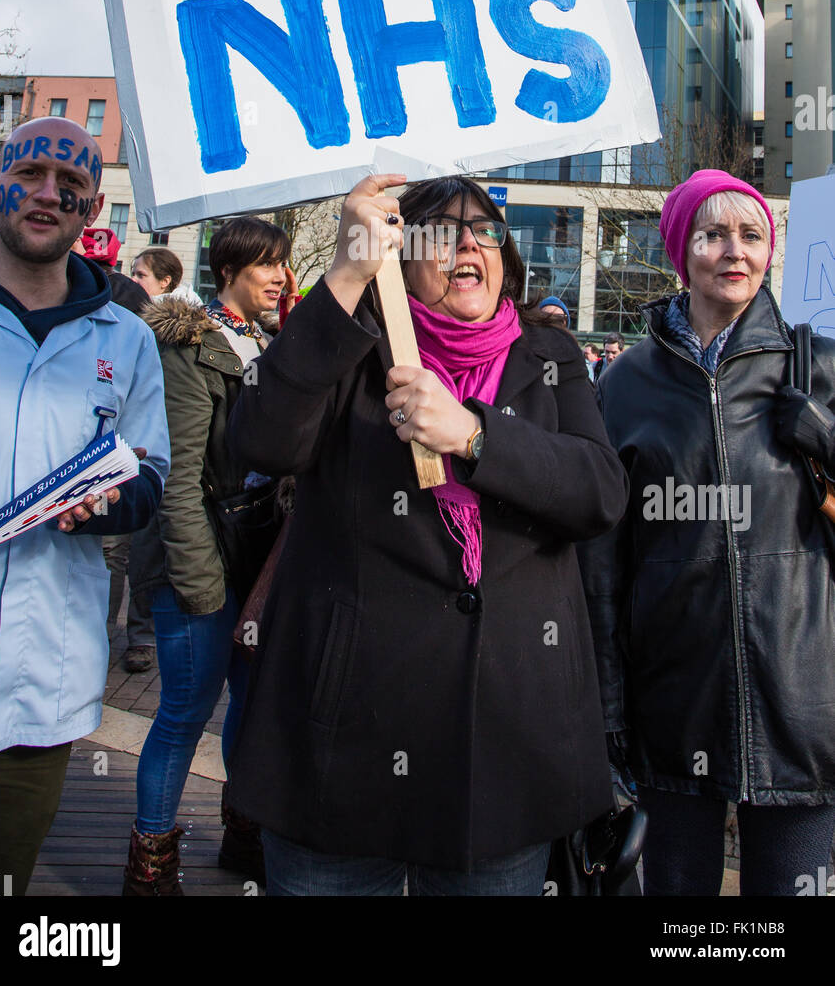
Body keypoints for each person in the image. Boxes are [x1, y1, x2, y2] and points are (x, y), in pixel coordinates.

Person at [224, 173, 629, 896]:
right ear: (397, 253)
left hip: (503, 746)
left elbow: (598, 492)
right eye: (442, 230)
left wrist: (475, 436)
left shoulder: (551, 353)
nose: (470, 242)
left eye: (486, 229)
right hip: (345, 739)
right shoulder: (350, 343)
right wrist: (345, 271)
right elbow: (263, 439)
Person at [581, 168, 835, 897]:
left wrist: (826, 436)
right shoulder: (625, 383)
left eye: (752, 235)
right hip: (672, 703)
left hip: (803, 700)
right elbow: (603, 559)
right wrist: (607, 703)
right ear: (678, 251)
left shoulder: (815, 369)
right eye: (713, 234)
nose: (735, 251)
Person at [0, 117, 170, 895]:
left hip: (37, 698)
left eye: (73, 187)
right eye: (32, 174)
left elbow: (150, 471)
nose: (49, 193)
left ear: (91, 212)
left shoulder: (127, 340)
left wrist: (114, 500)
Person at [122, 216, 298, 895]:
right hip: (203, 563)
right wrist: (203, 588)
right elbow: (180, 479)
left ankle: (242, 833)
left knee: (251, 711)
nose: (280, 278)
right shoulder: (190, 350)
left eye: (282, 265)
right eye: (266, 267)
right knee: (185, 713)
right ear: (228, 274)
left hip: (255, 557)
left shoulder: (274, 343)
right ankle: (152, 861)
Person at [74, 227, 157, 671]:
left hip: (112, 477)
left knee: (119, 553)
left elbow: (154, 457)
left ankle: (115, 636)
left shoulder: (130, 312)